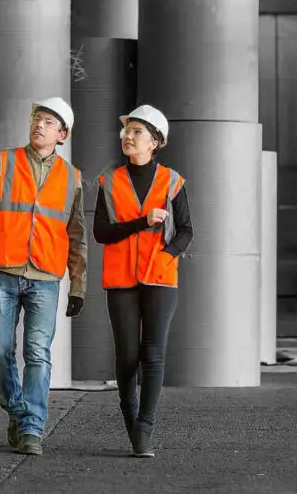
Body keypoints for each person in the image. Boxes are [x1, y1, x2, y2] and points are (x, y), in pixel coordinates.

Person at [0, 97, 87, 456]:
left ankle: (31, 428)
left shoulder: (72, 178)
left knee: (38, 354)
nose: (39, 125)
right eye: (36, 119)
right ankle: (17, 409)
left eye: (48, 122)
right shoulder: (3, 162)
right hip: (4, 272)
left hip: (45, 277)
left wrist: (78, 284)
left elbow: (77, 235)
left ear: (62, 134)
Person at [92, 104, 194, 458]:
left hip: (160, 278)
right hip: (120, 278)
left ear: (155, 142)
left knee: (153, 353)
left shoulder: (172, 181)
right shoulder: (108, 182)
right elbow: (101, 233)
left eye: (137, 132)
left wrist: (166, 256)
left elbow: (186, 231)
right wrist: (142, 222)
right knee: (127, 355)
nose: (128, 136)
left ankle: (145, 429)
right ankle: (130, 415)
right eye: (127, 131)